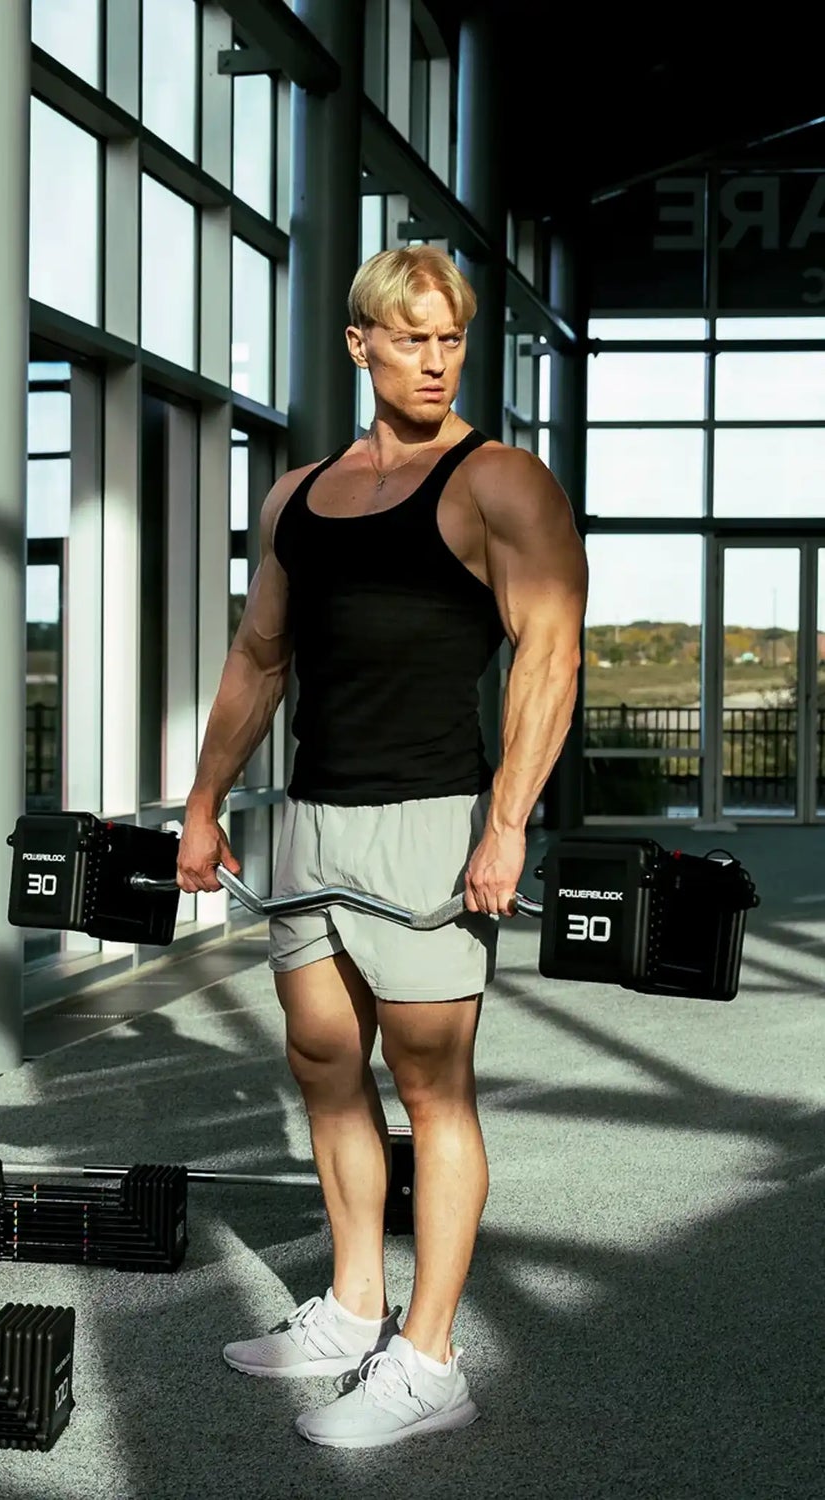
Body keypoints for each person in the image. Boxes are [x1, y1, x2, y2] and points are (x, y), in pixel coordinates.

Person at [177, 244, 588, 1448]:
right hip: (313, 817)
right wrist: (206, 803)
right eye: (411, 336)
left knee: (432, 1089)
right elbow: (259, 659)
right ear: (360, 343)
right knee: (321, 1062)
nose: (434, 357)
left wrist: (506, 823)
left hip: (429, 821)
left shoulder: (498, 479)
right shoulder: (299, 494)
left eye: (450, 337)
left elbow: (549, 653)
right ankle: (356, 1307)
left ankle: (431, 1355)